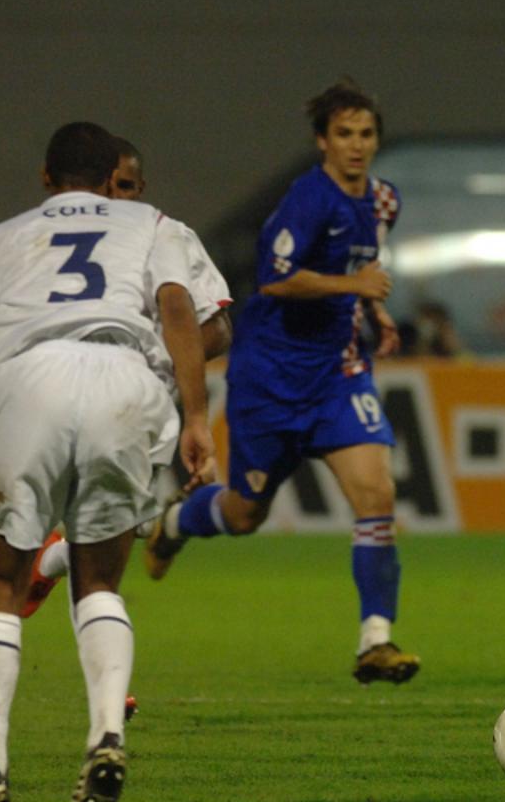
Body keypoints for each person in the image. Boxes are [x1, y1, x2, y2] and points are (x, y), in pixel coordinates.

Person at [0, 122, 215, 802]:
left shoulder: (2, 237)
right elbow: (180, 309)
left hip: (27, 378)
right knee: (98, 580)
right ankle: (107, 732)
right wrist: (198, 417)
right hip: (122, 377)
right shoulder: (151, 223)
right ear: (113, 172)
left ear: (45, 177)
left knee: (2, 583)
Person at [143, 79, 420, 685]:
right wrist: (357, 290)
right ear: (323, 141)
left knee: (375, 496)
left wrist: (374, 312)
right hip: (269, 379)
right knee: (244, 515)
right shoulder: (307, 200)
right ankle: (175, 523)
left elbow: (357, 266)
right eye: (343, 134)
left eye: (366, 134)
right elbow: (273, 278)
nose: (356, 145)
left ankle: (376, 640)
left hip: (338, 376)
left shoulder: (384, 201)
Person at [20, 136, 233, 619]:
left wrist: (158, 357)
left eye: (128, 186)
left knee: (119, 526)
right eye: (109, 185)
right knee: (101, 527)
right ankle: (108, 684)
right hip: (66, 392)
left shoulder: (167, 236)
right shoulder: (53, 240)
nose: (118, 197)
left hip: (143, 402)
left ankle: (49, 562)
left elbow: (218, 329)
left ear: (142, 188)